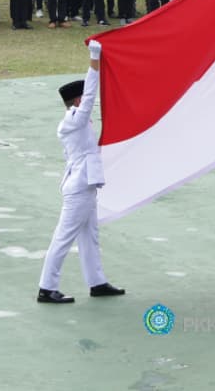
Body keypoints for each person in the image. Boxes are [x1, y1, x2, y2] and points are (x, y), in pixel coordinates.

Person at [37, 40, 125, 304]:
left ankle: (96, 282)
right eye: (84, 97)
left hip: (85, 183)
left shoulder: (78, 120)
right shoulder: (73, 119)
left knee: (90, 236)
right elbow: (90, 97)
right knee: (64, 237)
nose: (89, 100)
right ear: (76, 100)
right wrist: (94, 60)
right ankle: (46, 287)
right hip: (80, 186)